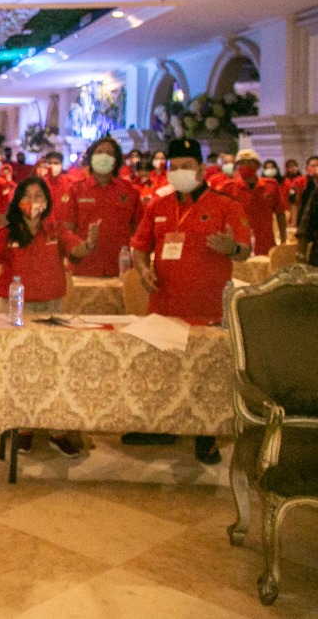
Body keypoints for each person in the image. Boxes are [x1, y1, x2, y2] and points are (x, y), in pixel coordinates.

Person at [129, 137, 251, 464]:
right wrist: (142, 270)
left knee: (204, 372)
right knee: (161, 368)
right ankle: (161, 426)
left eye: (186, 167)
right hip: (164, 303)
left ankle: (205, 434)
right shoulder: (158, 205)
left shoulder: (225, 204)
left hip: (206, 306)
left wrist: (232, 249)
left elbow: (245, 249)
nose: (179, 172)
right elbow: (139, 246)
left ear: (201, 169)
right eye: (174, 167)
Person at [0, 175, 97, 458]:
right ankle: (22, 426)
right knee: (18, 368)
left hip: (50, 309)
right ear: (19, 201)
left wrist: (90, 243)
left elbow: (76, 250)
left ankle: (56, 429)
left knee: (52, 367)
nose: (34, 201)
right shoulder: (7, 232)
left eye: (39, 196)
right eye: (28, 195)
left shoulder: (55, 230)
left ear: (47, 202)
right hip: (14, 310)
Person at [65, 136, 143, 277]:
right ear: (91, 158)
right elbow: (66, 232)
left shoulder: (129, 192)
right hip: (83, 270)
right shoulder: (76, 191)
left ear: (116, 160)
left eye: (109, 154)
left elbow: (140, 232)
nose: (104, 156)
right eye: (99, 153)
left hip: (120, 270)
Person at [221, 148, 286, 255]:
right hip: (239, 246)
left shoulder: (271, 186)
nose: (246, 166)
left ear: (258, 166)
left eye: (250, 163)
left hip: (266, 244)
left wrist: (283, 240)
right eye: (242, 163)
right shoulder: (229, 188)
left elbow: (280, 214)